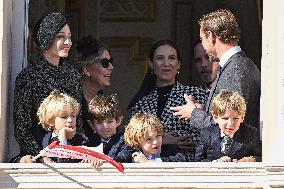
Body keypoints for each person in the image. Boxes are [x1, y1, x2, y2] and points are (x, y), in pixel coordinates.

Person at [171, 9, 261, 131]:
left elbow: (230, 128)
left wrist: (194, 114)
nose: (203, 45)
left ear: (211, 36)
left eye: (202, 39)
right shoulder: (235, 65)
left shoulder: (236, 70)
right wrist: (203, 111)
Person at [13, 12, 82, 157]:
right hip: (39, 158)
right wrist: (42, 156)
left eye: (69, 36)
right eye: (60, 36)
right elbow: (22, 129)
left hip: (70, 155)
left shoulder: (73, 75)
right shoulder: (28, 77)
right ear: (46, 38)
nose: (68, 42)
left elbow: (79, 121)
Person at [127, 39, 207, 162]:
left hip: (185, 169)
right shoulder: (140, 105)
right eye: (160, 58)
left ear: (178, 64)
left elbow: (207, 135)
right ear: (151, 64)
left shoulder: (196, 94)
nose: (166, 63)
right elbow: (131, 143)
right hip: (148, 171)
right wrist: (162, 141)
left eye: (171, 58)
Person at [195, 90, 262, 162]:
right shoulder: (207, 134)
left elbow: (264, 157)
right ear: (215, 117)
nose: (230, 123)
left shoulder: (251, 134)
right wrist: (216, 162)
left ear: (242, 118)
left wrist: (253, 159)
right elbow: (198, 160)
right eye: (225, 118)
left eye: (235, 118)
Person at [76, 36, 114, 142]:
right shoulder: (71, 102)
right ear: (87, 69)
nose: (111, 67)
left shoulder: (106, 101)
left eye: (111, 61)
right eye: (105, 63)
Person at [88, 94, 132, 163]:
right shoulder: (88, 142)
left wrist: (105, 160)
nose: (105, 126)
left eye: (110, 121)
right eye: (99, 122)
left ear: (118, 121)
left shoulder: (125, 140)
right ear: (92, 125)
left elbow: (125, 156)